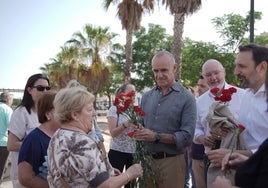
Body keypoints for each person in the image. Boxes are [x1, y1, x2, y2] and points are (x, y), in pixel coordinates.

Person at [47, 80, 143, 188]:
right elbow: (104, 186)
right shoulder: (83, 143)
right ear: (75, 115)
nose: (94, 114)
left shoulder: (57, 136)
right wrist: (129, 174)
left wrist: (106, 170)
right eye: (89, 110)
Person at [134, 50, 197, 188]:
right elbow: (140, 124)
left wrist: (156, 136)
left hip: (172, 162)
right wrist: (137, 130)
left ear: (174, 68)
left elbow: (187, 136)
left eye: (163, 70)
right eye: (155, 70)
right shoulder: (146, 97)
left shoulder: (187, 98)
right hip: (147, 162)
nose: (159, 75)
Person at [208, 44, 268, 187]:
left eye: (242, 66)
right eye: (236, 66)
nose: (236, 71)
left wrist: (235, 153)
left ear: (262, 67)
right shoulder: (247, 96)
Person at [193, 59, 245, 187]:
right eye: (208, 75)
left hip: (238, 156)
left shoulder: (243, 95)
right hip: (212, 157)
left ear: (224, 72)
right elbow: (195, 128)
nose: (213, 78)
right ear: (204, 77)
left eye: (216, 73)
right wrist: (203, 138)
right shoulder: (200, 102)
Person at [7, 73, 50, 188]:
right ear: (29, 90)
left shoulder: (47, 114)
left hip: (43, 174)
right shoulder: (21, 113)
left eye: (47, 88)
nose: (45, 91)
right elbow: (11, 144)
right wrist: (38, 147)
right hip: (26, 176)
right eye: (40, 88)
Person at [18, 91, 60, 188]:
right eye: (61, 108)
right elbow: (25, 178)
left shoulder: (62, 135)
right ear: (48, 114)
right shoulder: (34, 139)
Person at [107, 83, 136, 188]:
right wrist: (125, 125)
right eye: (131, 92)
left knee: (131, 184)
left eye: (135, 92)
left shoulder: (134, 110)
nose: (134, 94)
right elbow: (113, 133)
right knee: (114, 182)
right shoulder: (114, 109)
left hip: (133, 152)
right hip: (117, 152)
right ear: (122, 94)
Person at [190, 75, 209, 188]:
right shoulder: (197, 103)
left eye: (202, 86)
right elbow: (194, 127)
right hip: (197, 154)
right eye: (198, 85)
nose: (199, 88)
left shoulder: (220, 104)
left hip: (212, 155)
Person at [0, 91, 13, 184]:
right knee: (0, 170)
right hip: (3, 144)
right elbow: (12, 127)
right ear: (8, 100)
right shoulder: (7, 109)